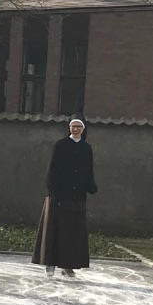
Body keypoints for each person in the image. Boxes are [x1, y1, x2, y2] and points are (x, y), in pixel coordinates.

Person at [31, 115, 99, 277]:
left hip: (77, 197)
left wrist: (91, 186)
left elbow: (88, 170)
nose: (75, 129)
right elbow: (52, 170)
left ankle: (68, 265)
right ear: (69, 128)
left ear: (83, 129)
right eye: (73, 126)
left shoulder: (86, 148)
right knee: (54, 231)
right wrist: (53, 191)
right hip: (59, 196)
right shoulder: (60, 145)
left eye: (78, 126)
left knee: (72, 233)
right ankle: (50, 263)